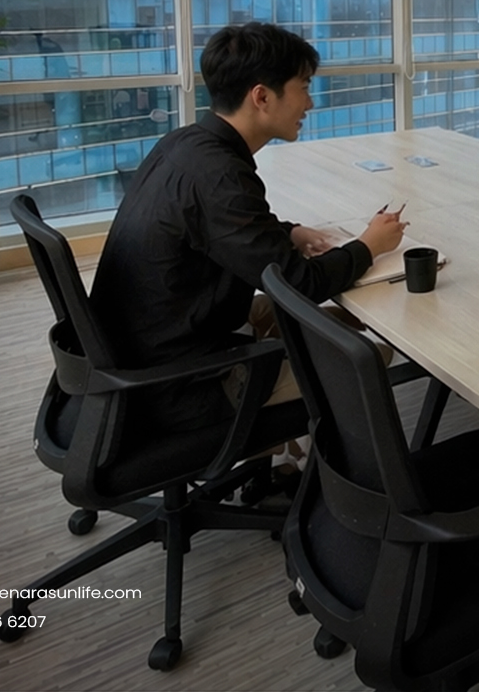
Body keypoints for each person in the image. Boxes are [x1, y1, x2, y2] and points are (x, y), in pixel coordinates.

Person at [92, 21, 406, 438]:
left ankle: (281, 464)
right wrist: (369, 245)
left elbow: (211, 226)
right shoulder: (222, 177)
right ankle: (336, 487)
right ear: (261, 96)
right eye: (304, 87)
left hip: (154, 344)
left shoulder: (185, 145)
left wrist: (289, 231)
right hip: (178, 385)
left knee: (340, 325)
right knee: (366, 355)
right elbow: (298, 283)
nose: (310, 103)